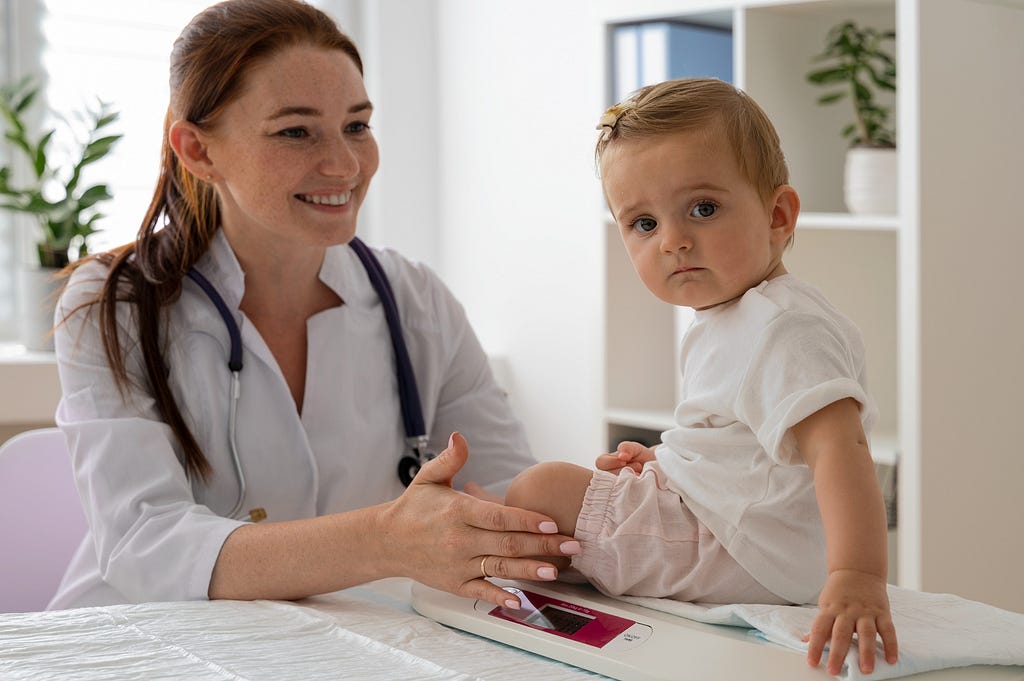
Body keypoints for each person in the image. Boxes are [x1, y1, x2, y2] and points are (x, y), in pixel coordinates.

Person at [50, 0, 579, 612]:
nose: (345, 165)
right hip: (137, 643)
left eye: (357, 125)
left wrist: (608, 502)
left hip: (342, 641)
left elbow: (510, 496)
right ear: (198, 150)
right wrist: (387, 542)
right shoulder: (112, 303)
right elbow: (146, 544)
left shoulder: (416, 300)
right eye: (295, 131)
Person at [503, 78, 898, 677]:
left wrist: (857, 577)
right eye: (642, 223)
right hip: (731, 528)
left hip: (742, 551)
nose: (673, 241)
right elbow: (745, 445)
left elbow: (842, 451)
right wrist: (667, 461)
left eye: (703, 209)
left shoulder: (782, 326)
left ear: (778, 215)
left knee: (539, 492)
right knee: (555, 506)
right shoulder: (733, 318)